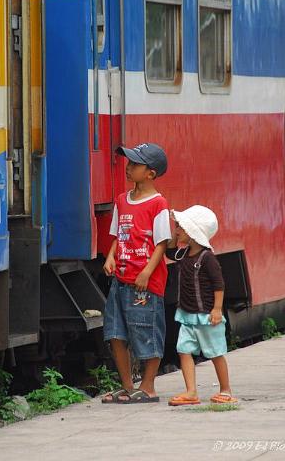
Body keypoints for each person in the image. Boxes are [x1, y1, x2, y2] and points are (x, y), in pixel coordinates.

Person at [102, 143, 170, 404]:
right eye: (128, 162)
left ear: (150, 173)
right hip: (121, 279)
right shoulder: (122, 200)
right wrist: (110, 256)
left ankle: (149, 386)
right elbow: (119, 234)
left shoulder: (158, 204)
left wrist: (146, 272)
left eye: (134, 164)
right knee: (116, 332)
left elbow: (162, 242)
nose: (128, 167)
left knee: (147, 331)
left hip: (145, 283)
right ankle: (129, 386)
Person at [167, 205, 237, 406]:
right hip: (187, 315)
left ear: (193, 232)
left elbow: (219, 284)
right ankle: (191, 392)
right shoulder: (183, 253)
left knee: (215, 353)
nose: (177, 230)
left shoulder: (208, 258)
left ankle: (226, 390)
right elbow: (169, 249)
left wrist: (217, 309)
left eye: (180, 227)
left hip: (207, 315)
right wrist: (177, 232)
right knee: (183, 350)